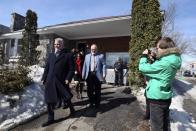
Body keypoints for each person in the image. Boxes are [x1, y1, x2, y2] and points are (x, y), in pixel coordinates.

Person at [139, 37, 181, 131]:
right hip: (164, 97)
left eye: (158, 48)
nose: (156, 50)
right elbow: (160, 72)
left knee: (156, 127)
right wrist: (154, 58)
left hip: (157, 99)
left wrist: (143, 56)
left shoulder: (165, 63)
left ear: (164, 49)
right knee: (164, 125)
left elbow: (143, 68)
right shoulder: (172, 59)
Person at [41, 38, 75, 127]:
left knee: (66, 97)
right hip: (50, 81)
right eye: (55, 44)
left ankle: (72, 109)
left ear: (62, 45)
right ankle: (50, 118)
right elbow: (47, 68)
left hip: (61, 81)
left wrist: (68, 78)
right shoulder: (51, 55)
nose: (57, 45)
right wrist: (44, 78)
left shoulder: (68, 55)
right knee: (49, 100)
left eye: (59, 44)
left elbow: (72, 69)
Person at [82, 44, 106, 108]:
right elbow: (85, 66)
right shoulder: (87, 56)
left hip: (98, 75)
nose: (93, 50)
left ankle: (97, 103)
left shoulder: (101, 56)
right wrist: (83, 75)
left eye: (95, 49)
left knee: (97, 90)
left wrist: (104, 73)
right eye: (92, 49)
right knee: (90, 90)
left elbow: (104, 65)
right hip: (89, 75)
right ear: (90, 49)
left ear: (97, 49)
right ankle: (91, 102)